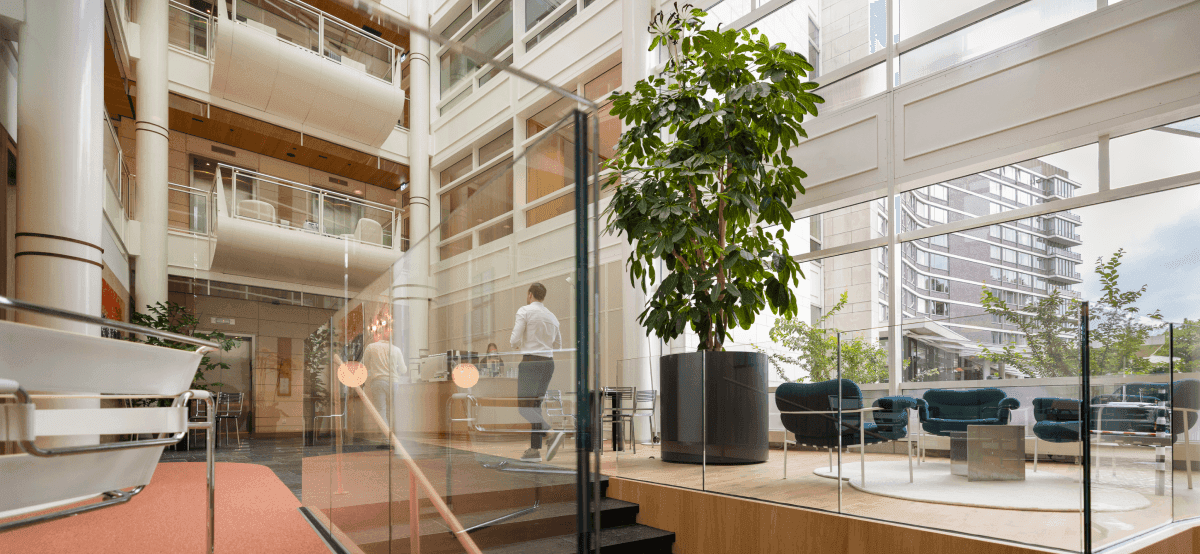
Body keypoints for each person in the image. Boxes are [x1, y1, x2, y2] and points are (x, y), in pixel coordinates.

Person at [510, 282, 564, 462]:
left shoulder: (524, 311)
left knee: (524, 408)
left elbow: (514, 339)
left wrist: (518, 345)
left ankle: (551, 433)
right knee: (535, 407)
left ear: (530, 294)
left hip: (531, 362)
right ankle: (534, 450)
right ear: (543, 296)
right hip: (548, 363)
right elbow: (558, 345)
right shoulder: (552, 317)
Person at [362, 310, 408, 444]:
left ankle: (386, 438)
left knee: (381, 410)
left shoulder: (371, 347)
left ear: (378, 335)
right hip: (394, 382)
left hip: (378, 382)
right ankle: (394, 437)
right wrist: (396, 372)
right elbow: (404, 369)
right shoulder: (396, 350)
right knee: (392, 410)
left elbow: (363, 366)